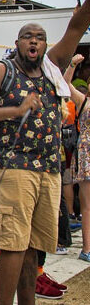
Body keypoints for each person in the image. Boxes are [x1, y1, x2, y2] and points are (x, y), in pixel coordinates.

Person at [0, 0, 90, 305]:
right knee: (14, 243)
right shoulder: (2, 71)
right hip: (14, 167)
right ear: (17, 43)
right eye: (26, 36)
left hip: (48, 169)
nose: (33, 41)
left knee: (35, 246)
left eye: (38, 36)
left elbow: (77, 25)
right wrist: (15, 109)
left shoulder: (52, 69)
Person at [65, 53, 90, 262]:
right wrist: (72, 64)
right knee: (87, 204)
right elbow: (65, 84)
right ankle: (87, 248)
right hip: (86, 154)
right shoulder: (84, 101)